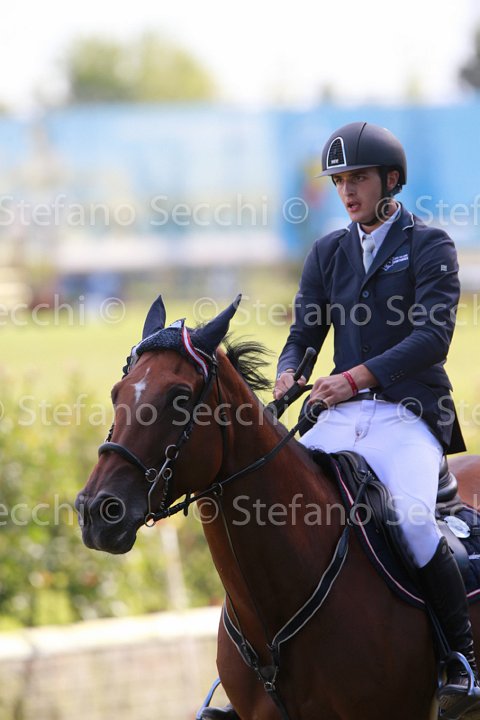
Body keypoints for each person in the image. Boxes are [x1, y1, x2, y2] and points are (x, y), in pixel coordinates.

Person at [201, 121, 479, 720]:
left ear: (391, 180)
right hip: (340, 413)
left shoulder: (430, 245)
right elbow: (305, 333)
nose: (347, 191)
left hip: (409, 413)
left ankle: (460, 659)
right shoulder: (328, 252)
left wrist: (352, 378)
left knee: (412, 521)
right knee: (274, 507)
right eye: (339, 180)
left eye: (359, 178)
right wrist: (289, 371)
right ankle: (245, 676)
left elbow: (432, 338)